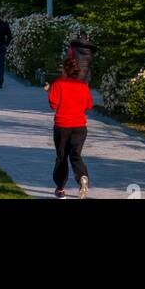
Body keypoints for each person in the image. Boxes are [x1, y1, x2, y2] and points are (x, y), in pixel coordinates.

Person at [46, 54, 92, 199]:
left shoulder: (58, 84)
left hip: (62, 125)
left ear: (64, 70)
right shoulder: (83, 86)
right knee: (75, 155)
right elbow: (88, 105)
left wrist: (49, 90)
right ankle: (82, 177)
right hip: (79, 126)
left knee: (61, 156)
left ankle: (60, 189)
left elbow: (53, 104)